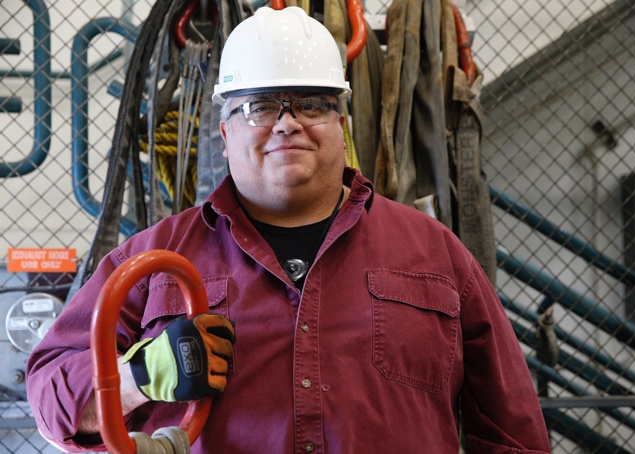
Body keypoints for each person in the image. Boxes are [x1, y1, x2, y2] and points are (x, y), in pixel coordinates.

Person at [26, 6, 551, 453]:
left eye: (312, 103)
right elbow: (52, 403)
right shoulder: (151, 261)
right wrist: (138, 378)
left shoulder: (435, 254)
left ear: (340, 123)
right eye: (259, 106)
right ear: (225, 131)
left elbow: (514, 432)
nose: (287, 122)